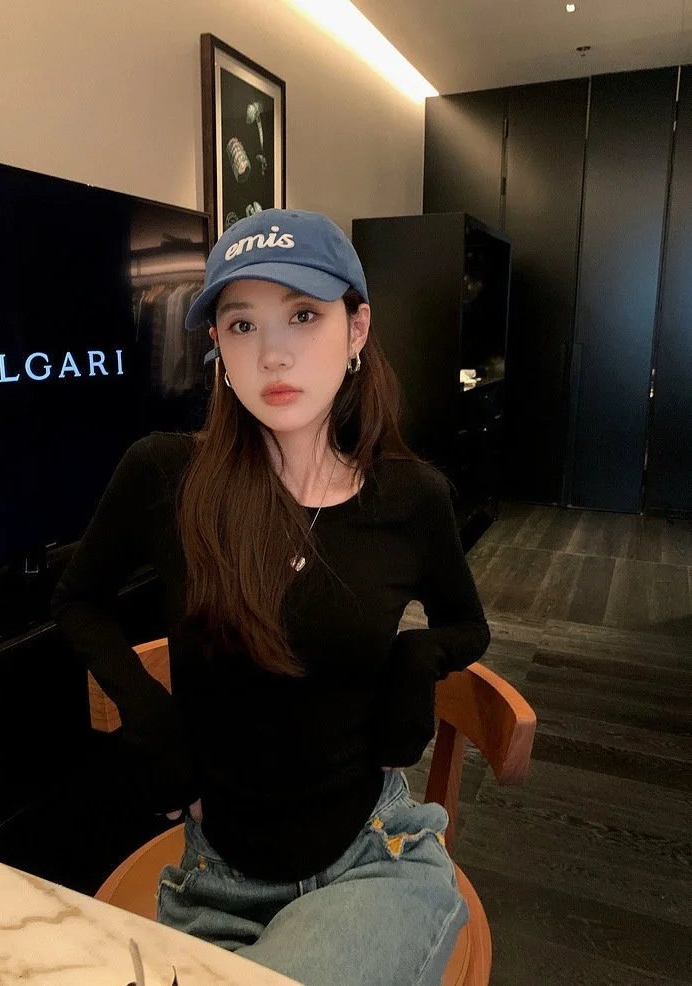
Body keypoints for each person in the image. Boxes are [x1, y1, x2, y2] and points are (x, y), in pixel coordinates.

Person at [51, 208, 491, 985]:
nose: (273, 353)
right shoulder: (166, 475)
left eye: (303, 315)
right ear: (218, 344)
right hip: (216, 877)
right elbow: (78, 599)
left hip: (373, 855)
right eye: (242, 324)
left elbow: (466, 625)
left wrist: (418, 657)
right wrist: (148, 712)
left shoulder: (410, 497)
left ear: (357, 329)